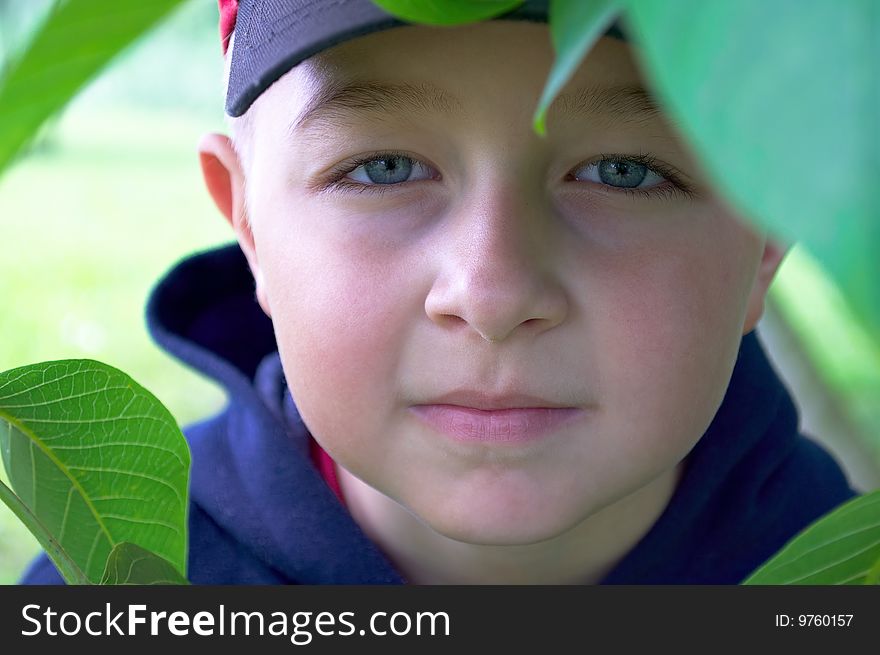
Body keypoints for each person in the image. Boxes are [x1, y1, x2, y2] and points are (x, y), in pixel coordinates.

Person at [20, 0, 858, 585]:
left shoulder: (845, 575)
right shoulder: (118, 581)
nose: (491, 293)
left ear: (765, 235)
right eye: (382, 168)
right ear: (248, 226)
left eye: (623, 172)